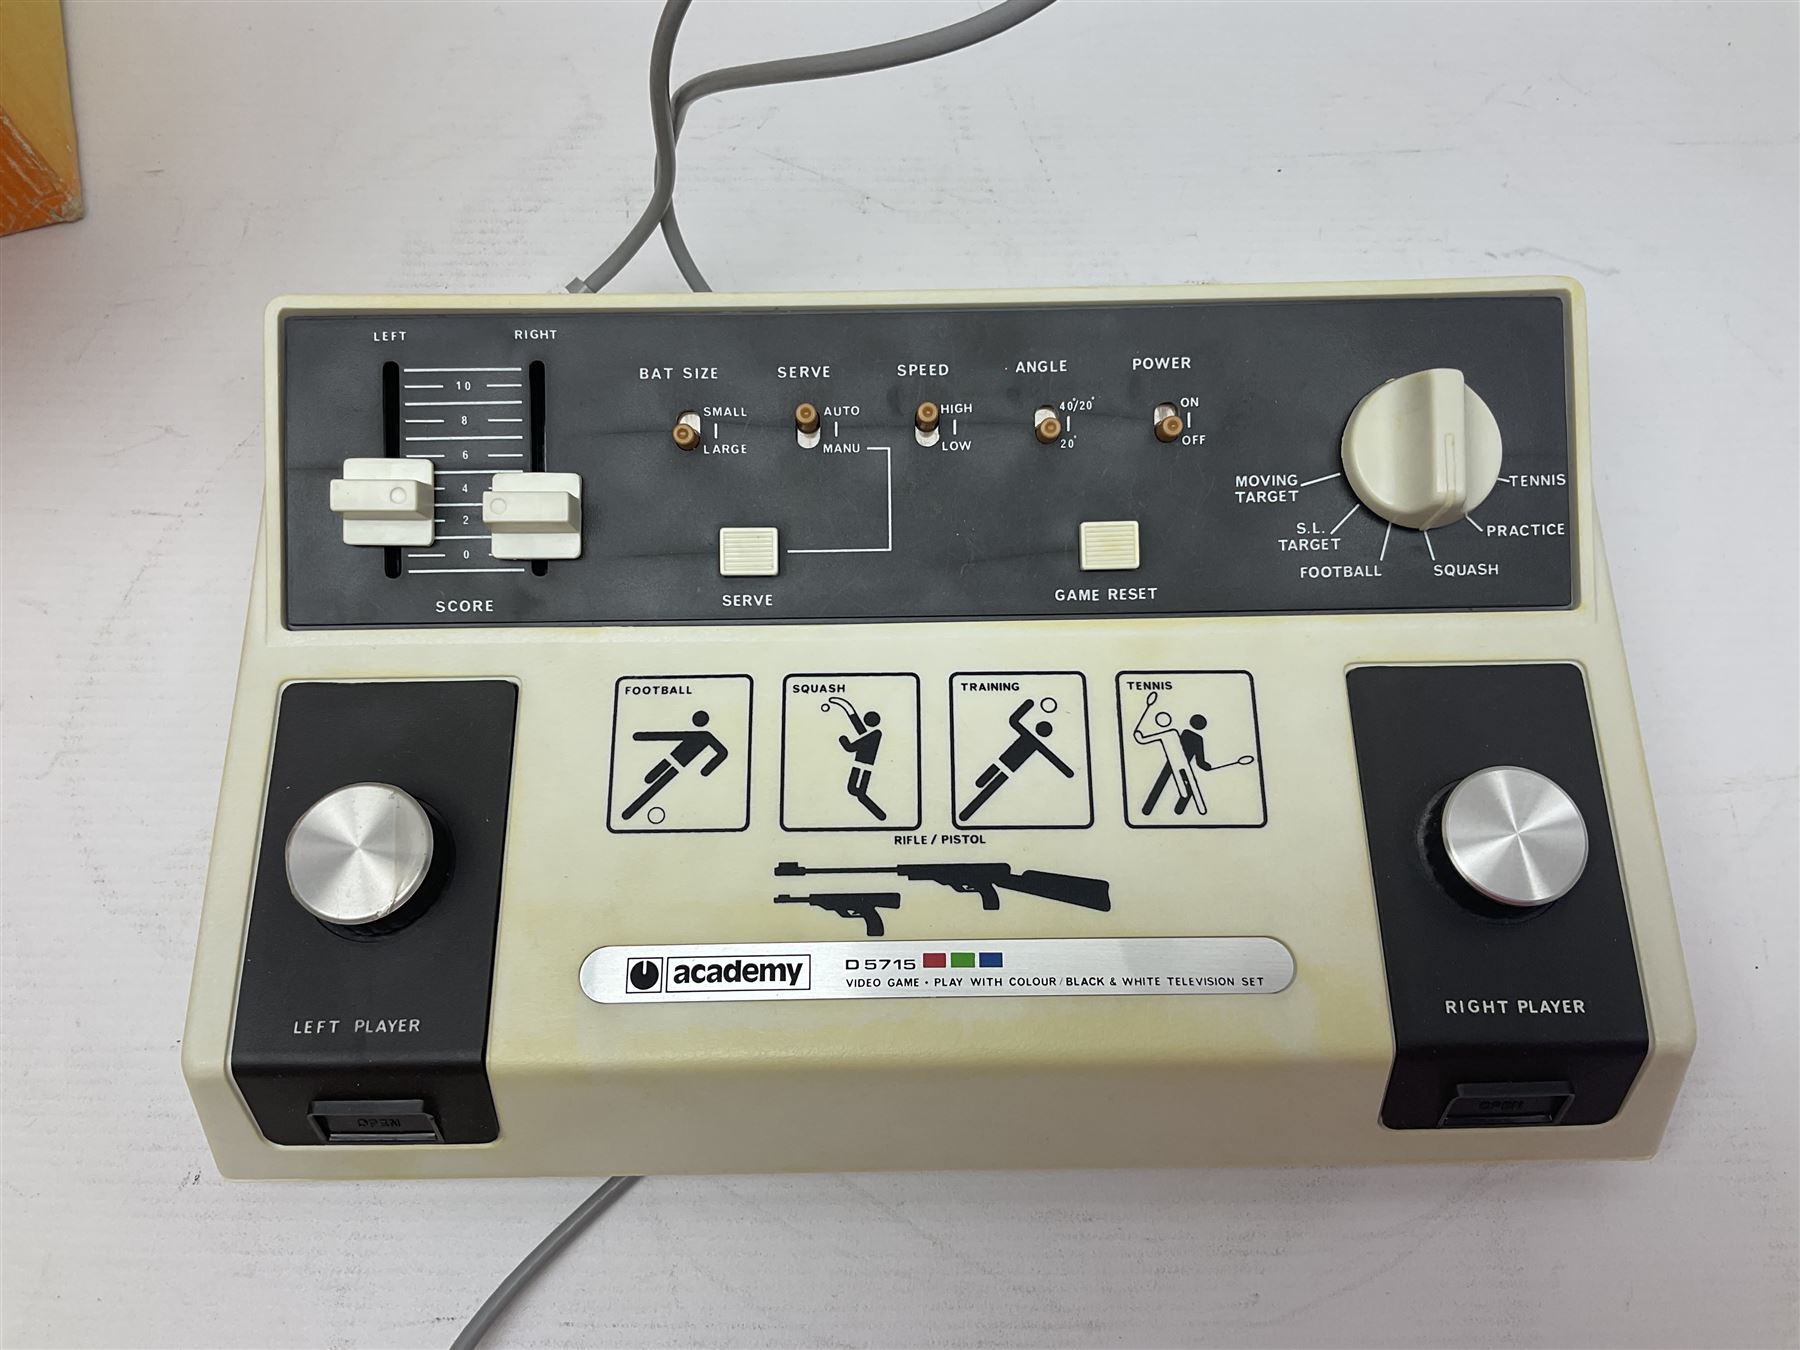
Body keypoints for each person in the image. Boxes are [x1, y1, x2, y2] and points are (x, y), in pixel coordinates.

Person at [957, 697, 1074, 823]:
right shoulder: (1038, 744)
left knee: (987, 784)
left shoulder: (1032, 738)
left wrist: (1028, 705)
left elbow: (1014, 720)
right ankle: (968, 809)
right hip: (1006, 766)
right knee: (987, 784)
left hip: (1003, 764)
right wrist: (1029, 704)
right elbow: (1014, 720)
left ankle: (966, 813)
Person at [621, 710, 728, 820]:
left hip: (676, 767)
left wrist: (706, 770)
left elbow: (722, 752)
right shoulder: (703, 736)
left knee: (656, 786)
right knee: (649, 779)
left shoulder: (705, 736)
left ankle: (629, 813)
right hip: (668, 761)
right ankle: (628, 812)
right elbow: (667, 736)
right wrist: (639, 736)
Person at [827, 696, 887, 821]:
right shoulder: (871, 734)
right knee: (853, 790)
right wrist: (844, 705)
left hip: (864, 767)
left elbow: (850, 748)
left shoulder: (874, 735)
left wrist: (843, 740)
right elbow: (857, 724)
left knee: (858, 792)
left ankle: (881, 816)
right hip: (860, 765)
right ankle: (880, 816)